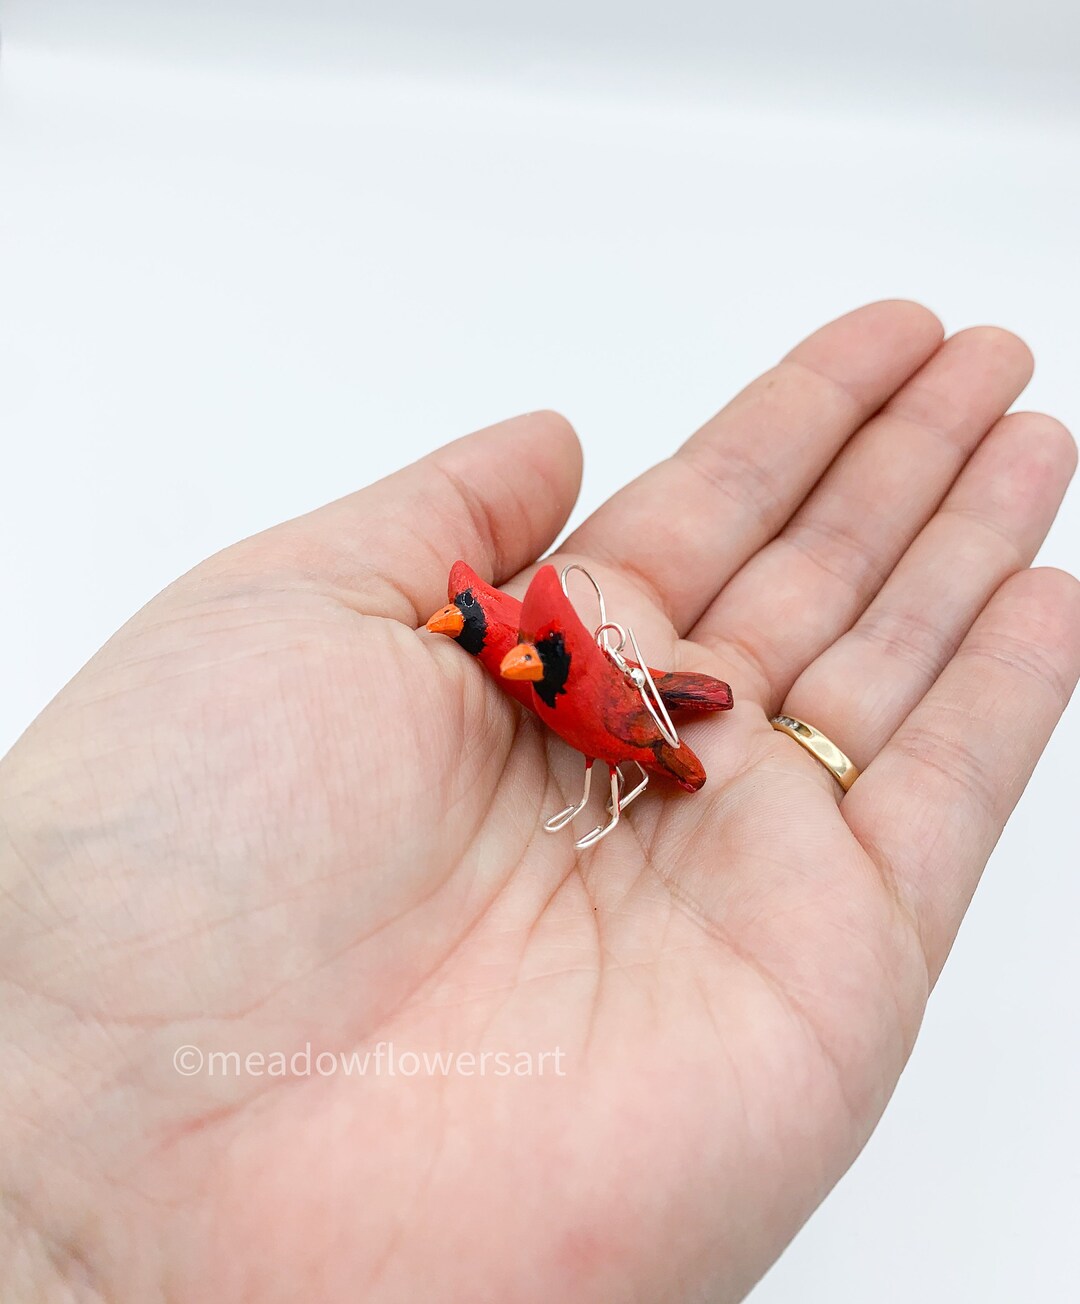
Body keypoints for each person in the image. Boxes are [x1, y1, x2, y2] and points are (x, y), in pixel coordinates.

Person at [1, 301, 1076, 1302]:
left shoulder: (617, 717)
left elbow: (630, 705)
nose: (516, 666)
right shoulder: (540, 672)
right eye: (503, 643)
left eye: (511, 645)